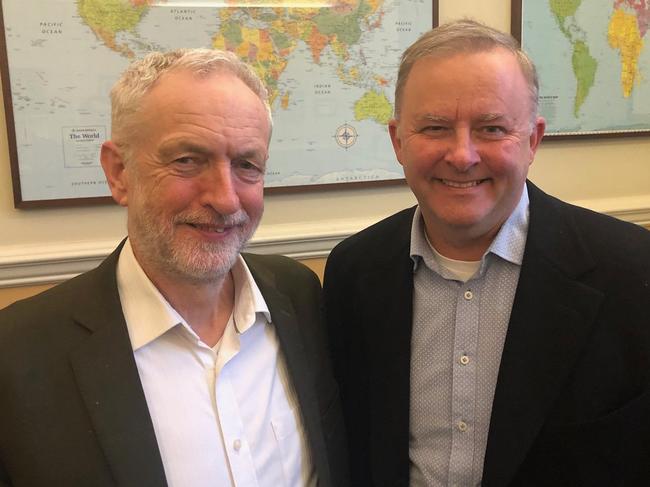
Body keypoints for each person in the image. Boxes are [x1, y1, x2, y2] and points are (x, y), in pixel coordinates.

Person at [324, 19, 650, 487]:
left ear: (533, 140)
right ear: (398, 141)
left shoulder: (632, 274)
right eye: (435, 127)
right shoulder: (353, 272)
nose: (462, 155)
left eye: (492, 128)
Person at [0, 49, 347, 487]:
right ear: (119, 172)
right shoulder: (17, 354)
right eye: (187, 160)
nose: (225, 199)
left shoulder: (299, 296)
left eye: (246, 165)